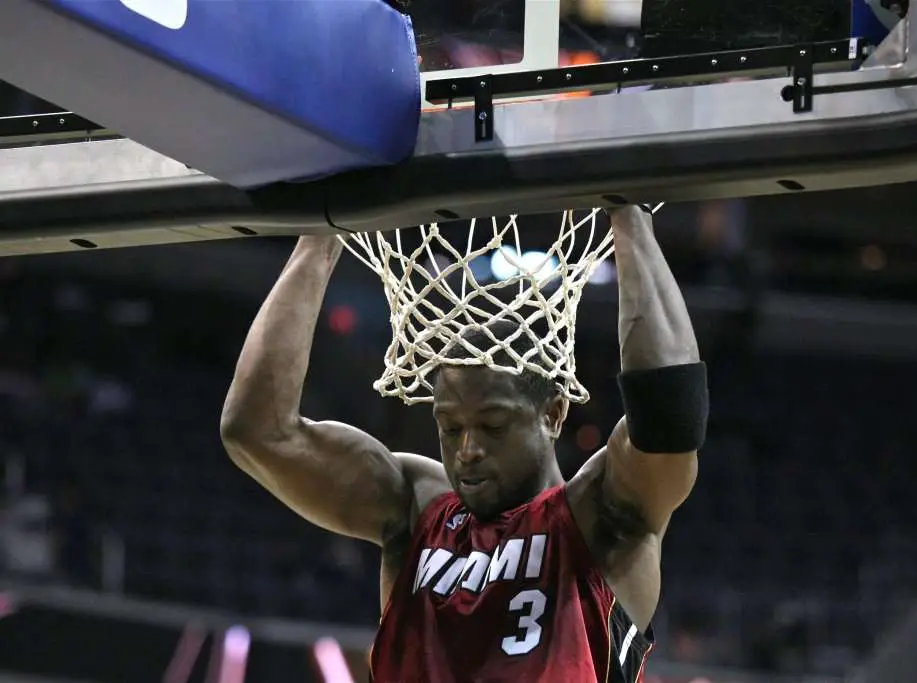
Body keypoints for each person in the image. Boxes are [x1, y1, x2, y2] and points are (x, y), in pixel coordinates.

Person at [220, 205, 708, 682]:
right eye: (450, 428)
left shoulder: (600, 515)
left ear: (554, 414)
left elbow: (669, 420)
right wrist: (321, 230)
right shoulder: (415, 507)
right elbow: (258, 431)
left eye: (493, 426)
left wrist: (629, 217)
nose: (467, 449)